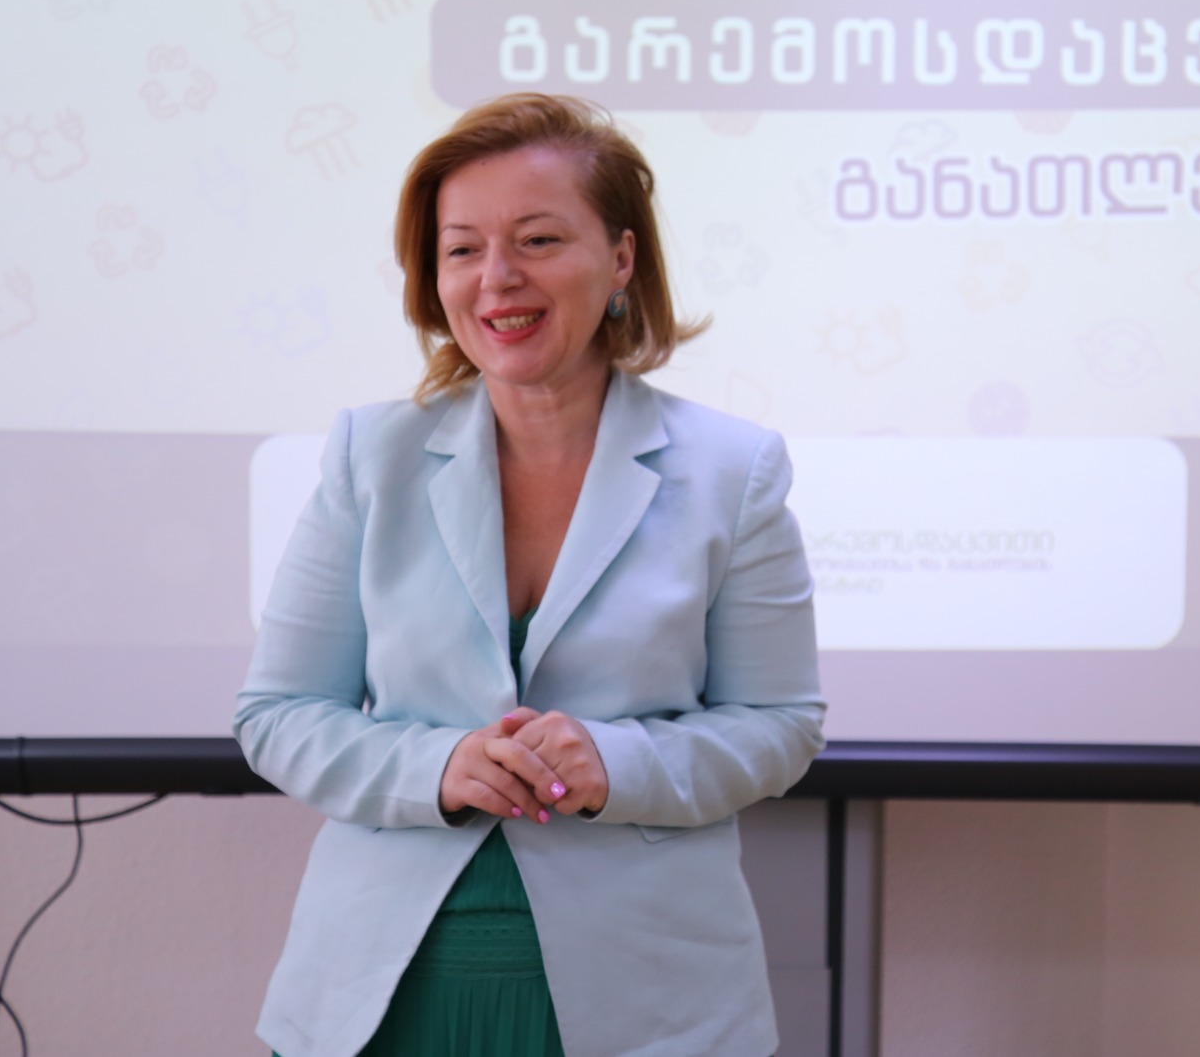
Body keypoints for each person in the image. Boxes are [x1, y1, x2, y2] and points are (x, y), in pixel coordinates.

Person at [235, 92, 824, 1057]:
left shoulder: (735, 470)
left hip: (650, 1002)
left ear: (621, 259)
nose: (497, 277)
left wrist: (616, 763)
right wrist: (437, 765)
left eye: (539, 239)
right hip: (384, 995)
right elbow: (278, 713)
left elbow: (781, 723)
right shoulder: (368, 457)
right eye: (463, 248)